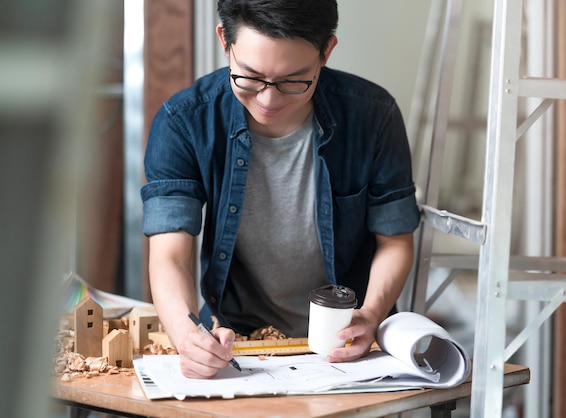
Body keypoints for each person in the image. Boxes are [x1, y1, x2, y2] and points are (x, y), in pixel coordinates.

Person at [141, 0, 420, 379]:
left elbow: (395, 240)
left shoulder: (373, 115)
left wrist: (371, 315)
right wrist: (188, 337)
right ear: (225, 40)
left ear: (327, 51)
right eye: (250, 77)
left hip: (351, 343)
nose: (269, 100)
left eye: (294, 81)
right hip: (241, 340)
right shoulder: (184, 121)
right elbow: (170, 254)